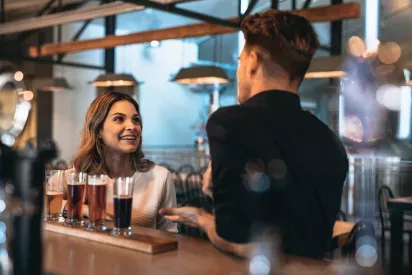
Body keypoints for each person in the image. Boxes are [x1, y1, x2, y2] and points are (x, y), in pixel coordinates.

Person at [160, 10, 348, 257]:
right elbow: (296, 219)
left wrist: (202, 218)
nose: (238, 71)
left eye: (239, 61)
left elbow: (238, 239)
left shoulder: (229, 122)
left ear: (253, 62)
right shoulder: (330, 140)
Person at [67, 92, 177, 232]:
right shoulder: (77, 178)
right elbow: (39, 203)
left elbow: (170, 234)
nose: (132, 126)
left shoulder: (161, 177)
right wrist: (84, 209)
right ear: (98, 130)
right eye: (119, 119)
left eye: (136, 120)